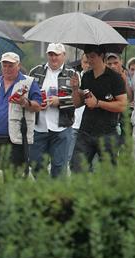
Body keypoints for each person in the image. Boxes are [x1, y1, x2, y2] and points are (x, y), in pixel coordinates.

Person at [0, 52, 43, 168]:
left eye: (10, 65)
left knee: (13, 175)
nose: (7, 68)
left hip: (16, 139)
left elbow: (38, 106)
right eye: (4, 65)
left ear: (18, 65)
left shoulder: (29, 82)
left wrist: (25, 102)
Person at [70, 45, 127, 172]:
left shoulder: (115, 78)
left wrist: (98, 103)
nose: (90, 60)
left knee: (108, 173)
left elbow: (122, 105)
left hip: (107, 132)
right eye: (87, 57)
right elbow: (77, 103)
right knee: (77, 168)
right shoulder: (86, 76)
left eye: (92, 57)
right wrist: (74, 89)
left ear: (101, 56)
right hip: (85, 130)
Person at [28, 43, 79, 177]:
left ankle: (56, 196)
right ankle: (43, 193)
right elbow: (27, 95)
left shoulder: (73, 74)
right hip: (39, 126)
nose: (53, 58)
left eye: (57, 55)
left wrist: (60, 102)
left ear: (64, 56)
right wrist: (37, 102)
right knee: (36, 165)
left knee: (59, 166)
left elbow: (78, 101)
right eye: (51, 54)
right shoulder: (35, 71)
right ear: (47, 55)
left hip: (61, 127)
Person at [68, 54, 91, 164]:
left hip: (90, 126)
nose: (88, 65)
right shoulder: (75, 78)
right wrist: (75, 89)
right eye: (85, 62)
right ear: (81, 63)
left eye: (90, 62)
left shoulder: (96, 79)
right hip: (75, 125)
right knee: (71, 158)